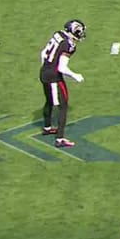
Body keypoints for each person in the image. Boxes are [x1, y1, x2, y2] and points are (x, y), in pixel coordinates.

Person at [39, 20, 87, 148]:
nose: (81, 33)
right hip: (54, 76)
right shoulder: (69, 45)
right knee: (63, 106)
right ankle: (60, 139)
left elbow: (43, 53)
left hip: (44, 71)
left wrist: (47, 68)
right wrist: (75, 76)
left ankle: (47, 127)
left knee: (49, 100)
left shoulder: (58, 34)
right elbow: (61, 68)